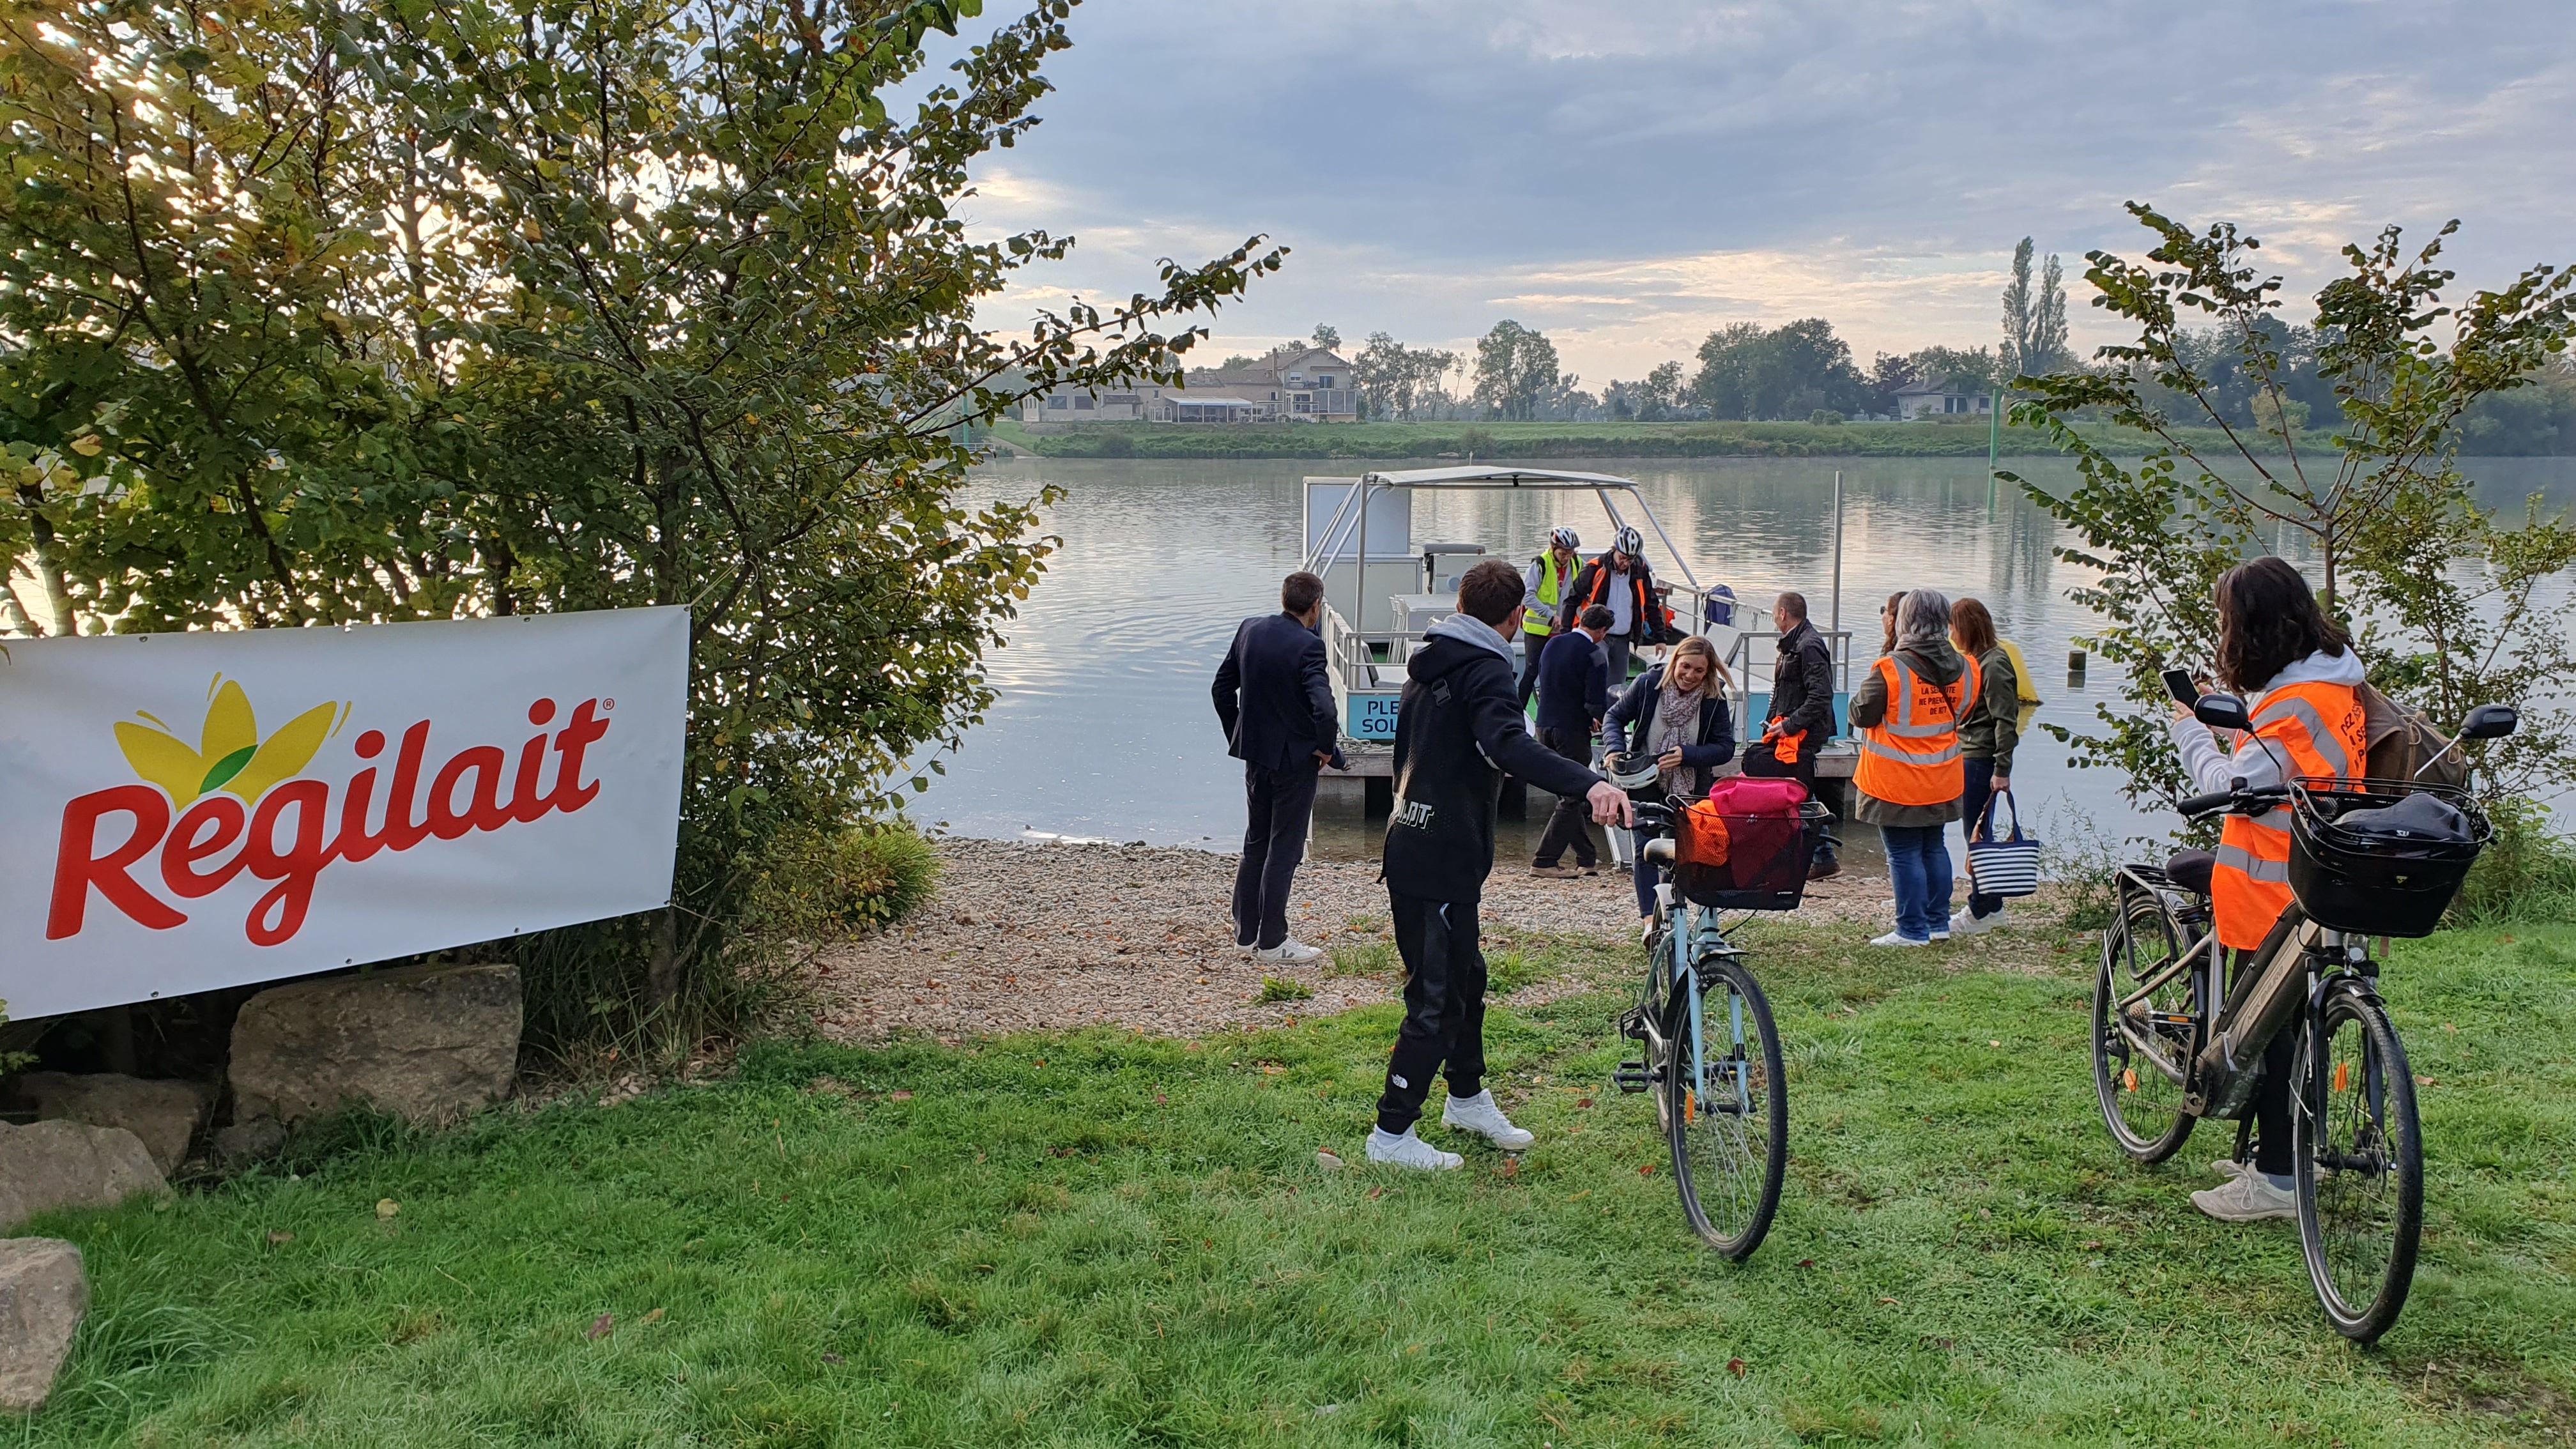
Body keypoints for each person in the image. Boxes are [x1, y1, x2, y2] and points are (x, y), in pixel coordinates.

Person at [1374, 559, 1633, 1170]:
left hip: (1419, 844)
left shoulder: (1434, 655)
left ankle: (1465, 1099)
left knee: (1468, 982)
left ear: (1461, 603)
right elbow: (1507, 745)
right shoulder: (1485, 664)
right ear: (1516, 616)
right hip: (1436, 856)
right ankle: (1390, 1136)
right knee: (1435, 1002)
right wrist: (1590, 783)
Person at [2167, 556, 2366, 1223]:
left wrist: (2188, 729)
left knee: (2272, 1039)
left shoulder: (2291, 704)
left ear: (2247, 627)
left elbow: (2234, 788)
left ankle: (2278, 1179)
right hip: (2322, 878)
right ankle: (2272, 1155)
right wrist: (2229, 723)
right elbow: (2285, 757)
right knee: (2290, 1033)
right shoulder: (2332, 686)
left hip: (2269, 890)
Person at [1211, 571, 1347, 963]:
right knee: (1285, 848)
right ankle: (1273, 941)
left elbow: (1221, 689)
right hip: (1294, 761)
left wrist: (1238, 733)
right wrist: (1325, 749)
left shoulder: (1249, 630)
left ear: (1283, 598)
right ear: (1316, 607)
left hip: (1256, 755)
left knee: (1256, 841)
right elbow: (1324, 708)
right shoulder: (1309, 646)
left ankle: (1245, 933)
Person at [1848, 589, 1975, 947]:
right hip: (1944, 775)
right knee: (1934, 847)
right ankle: (1938, 923)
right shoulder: (1967, 666)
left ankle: (1911, 930)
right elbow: (1964, 711)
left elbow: (1860, 713)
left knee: (1902, 853)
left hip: (1896, 780)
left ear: (1904, 620)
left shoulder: (1891, 669)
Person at [1602, 634, 1735, 926]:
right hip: (1645, 780)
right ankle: (1650, 919)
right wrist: (1614, 749)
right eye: (1685, 667)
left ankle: (1674, 913)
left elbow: (1726, 747)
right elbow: (1614, 717)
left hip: (1690, 786)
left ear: (1708, 672)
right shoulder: (1649, 685)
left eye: (1699, 671)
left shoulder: (1714, 697)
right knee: (1646, 847)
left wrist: (1687, 755)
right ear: (1675, 662)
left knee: (1683, 851)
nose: (1690, 676)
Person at [1743, 590, 1841, 880]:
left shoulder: (1808, 646)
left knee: (1800, 789)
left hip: (1802, 734)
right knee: (1798, 788)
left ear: (1784, 614)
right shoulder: (1795, 644)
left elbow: (1821, 696)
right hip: (1791, 730)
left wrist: (1790, 725)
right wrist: (1776, 722)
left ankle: (1819, 856)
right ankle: (1811, 854)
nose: (1774, 620)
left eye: (1775, 614)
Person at [1949, 598, 2022, 936]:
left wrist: (2002, 769)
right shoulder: (1974, 662)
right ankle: (1991, 905)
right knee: (1978, 835)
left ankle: (1980, 909)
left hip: (1981, 760)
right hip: (1968, 755)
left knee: (1977, 837)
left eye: (1954, 627)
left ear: (1967, 629)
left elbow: (2006, 720)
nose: (1951, 633)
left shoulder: (1994, 665)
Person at [1531, 604, 1615, 877]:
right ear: (1602, 631)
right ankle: (1544, 860)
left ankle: (1587, 858)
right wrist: (1601, 719)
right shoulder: (1595, 653)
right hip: (1571, 730)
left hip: (1543, 726)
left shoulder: (1552, 645)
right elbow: (1594, 701)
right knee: (1575, 794)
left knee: (1568, 795)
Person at [1558, 527, 1673, 687]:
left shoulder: (1641, 570)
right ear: (1614, 550)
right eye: (1622, 558)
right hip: (1597, 635)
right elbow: (1572, 600)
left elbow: (1651, 604)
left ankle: (1611, 711)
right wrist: (1566, 633)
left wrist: (1660, 638)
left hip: (1623, 637)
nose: (1625, 563)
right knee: (1596, 675)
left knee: (1618, 684)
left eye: (1630, 560)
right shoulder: (1596, 567)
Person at [1518, 526, 1583, 710]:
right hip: (1538, 630)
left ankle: (1555, 710)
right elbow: (1527, 596)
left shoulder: (1577, 564)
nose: (1567, 557)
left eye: (1570, 553)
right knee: (1532, 672)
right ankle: (1518, 712)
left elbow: (1583, 593)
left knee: (1559, 672)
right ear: (1553, 549)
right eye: (1563, 553)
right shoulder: (1540, 564)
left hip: (1563, 630)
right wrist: (1550, 615)